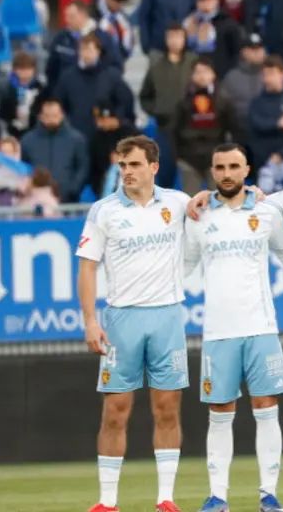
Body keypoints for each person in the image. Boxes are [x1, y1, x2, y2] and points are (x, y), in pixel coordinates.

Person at [77, 136, 191, 512]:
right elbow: (87, 266)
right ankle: (108, 502)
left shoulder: (177, 203)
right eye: (122, 165)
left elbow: (223, 205)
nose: (127, 172)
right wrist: (91, 321)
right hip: (122, 318)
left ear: (154, 167)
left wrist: (251, 192)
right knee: (115, 411)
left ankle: (166, 499)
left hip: (167, 316)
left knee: (167, 408)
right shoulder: (104, 210)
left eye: (134, 164)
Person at [184, 145, 283, 512]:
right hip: (217, 331)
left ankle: (269, 494)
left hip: (261, 327)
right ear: (212, 171)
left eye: (234, 166)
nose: (227, 172)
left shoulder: (266, 211)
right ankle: (218, 496)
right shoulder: (197, 215)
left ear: (247, 169)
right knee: (220, 412)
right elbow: (181, 267)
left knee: (267, 408)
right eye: (220, 167)